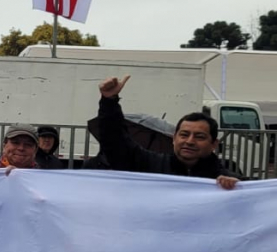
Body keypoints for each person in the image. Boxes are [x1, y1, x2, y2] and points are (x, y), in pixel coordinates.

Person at [97, 75, 238, 189]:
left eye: (199, 137)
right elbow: (115, 143)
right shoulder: (151, 165)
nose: (189, 141)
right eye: (184, 135)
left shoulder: (228, 182)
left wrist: (236, 188)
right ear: (174, 138)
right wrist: (109, 101)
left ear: (214, 144)